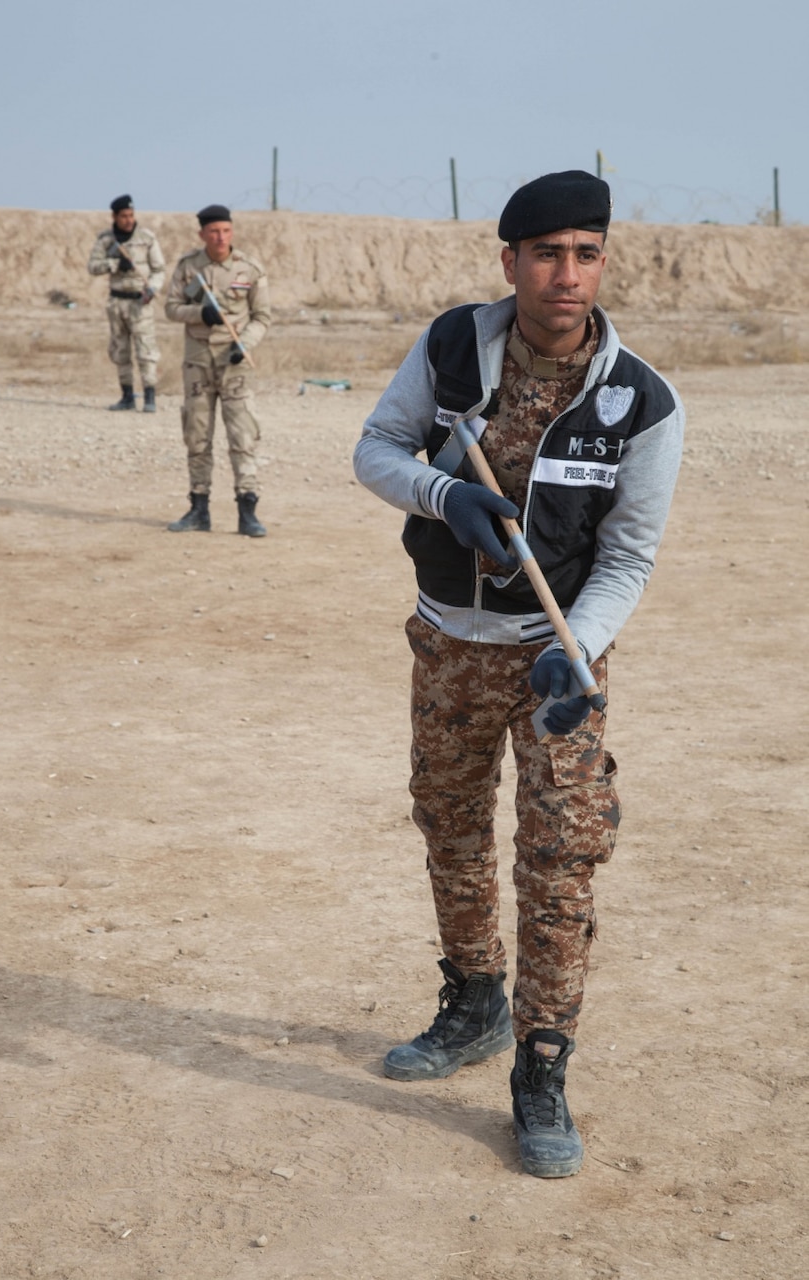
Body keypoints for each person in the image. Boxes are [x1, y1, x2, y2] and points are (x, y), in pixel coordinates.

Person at [353, 170, 684, 1179]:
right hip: (448, 644)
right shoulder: (454, 346)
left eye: (585, 252)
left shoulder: (643, 401)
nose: (565, 275)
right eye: (545, 253)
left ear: (602, 261)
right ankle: (473, 1001)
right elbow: (374, 449)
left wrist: (570, 648)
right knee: (448, 823)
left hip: (556, 664)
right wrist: (443, 492)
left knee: (560, 857)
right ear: (510, 262)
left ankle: (542, 1061)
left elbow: (627, 555)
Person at [164, 204, 271, 536]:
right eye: (213, 231)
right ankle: (198, 508)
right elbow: (171, 308)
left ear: (232, 232)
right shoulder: (188, 268)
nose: (220, 237)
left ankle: (248, 509)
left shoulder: (249, 269)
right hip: (197, 364)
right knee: (197, 436)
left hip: (235, 365)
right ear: (202, 234)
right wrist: (199, 314)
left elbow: (262, 317)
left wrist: (244, 345)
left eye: (225, 230)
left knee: (242, 436)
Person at [87, 194, 166, 412]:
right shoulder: (106, 240)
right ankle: (127, 396)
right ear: (114, 216)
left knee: (146, 351)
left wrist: (153, 288)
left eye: (131, 215)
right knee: (120, 351)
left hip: (140, 302)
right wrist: (114, 264)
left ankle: (150, 397)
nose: (129, 220)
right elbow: (93, 267)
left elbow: (159, 269)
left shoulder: (147, 238)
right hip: (117, 302)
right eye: (124, 216)